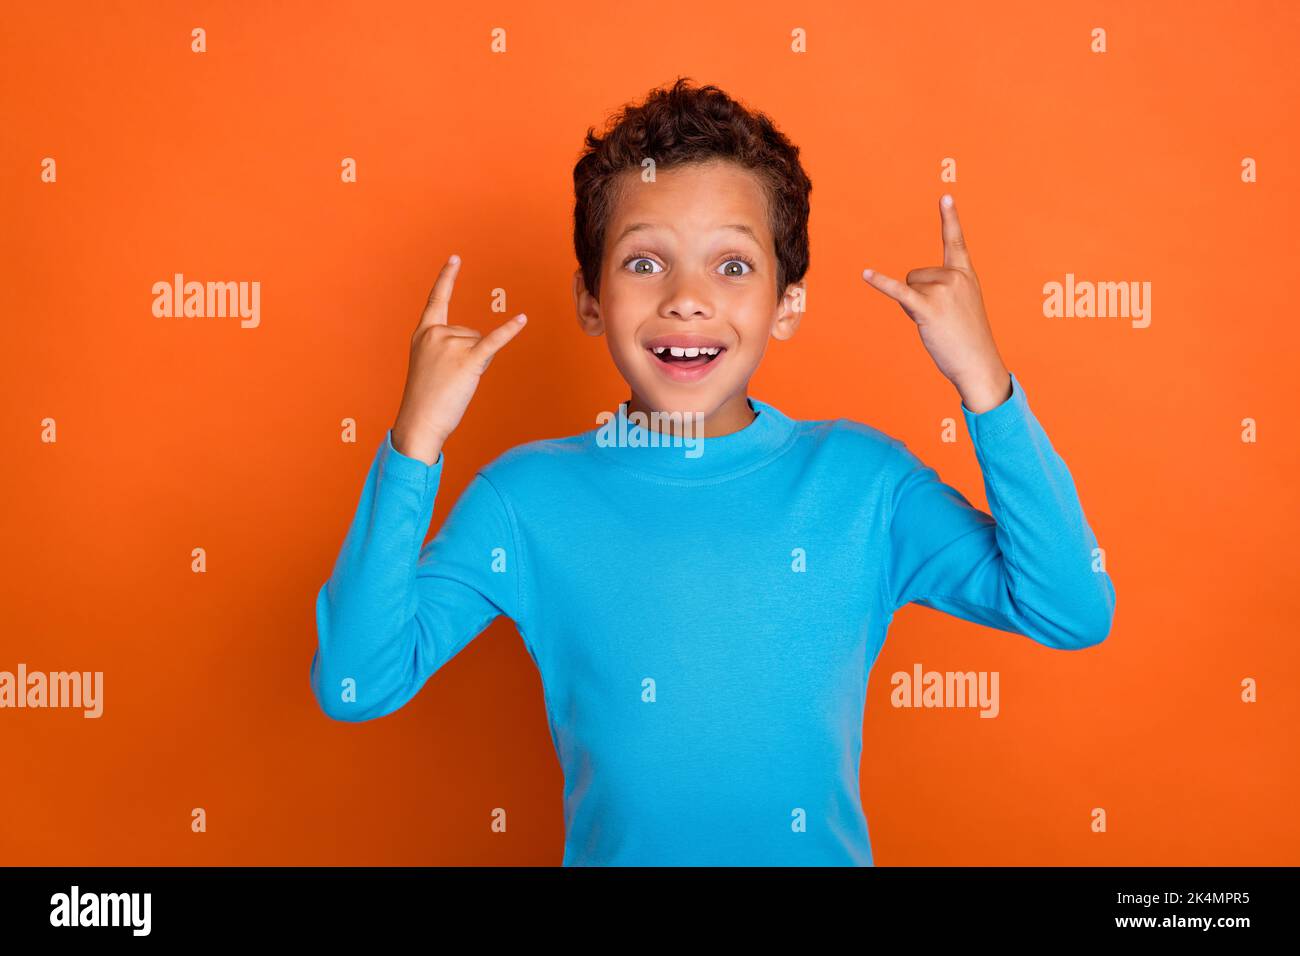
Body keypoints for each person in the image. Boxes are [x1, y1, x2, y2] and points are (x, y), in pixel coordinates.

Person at [309, 77, 1116, 866]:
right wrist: (414, 443)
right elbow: (354, 685)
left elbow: (1071, 608)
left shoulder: (863, 483)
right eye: (643, 263)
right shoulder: (524, 500)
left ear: (786, 303)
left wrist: (986, 385)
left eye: (731, 267)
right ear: (590, 301)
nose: (687, 299)